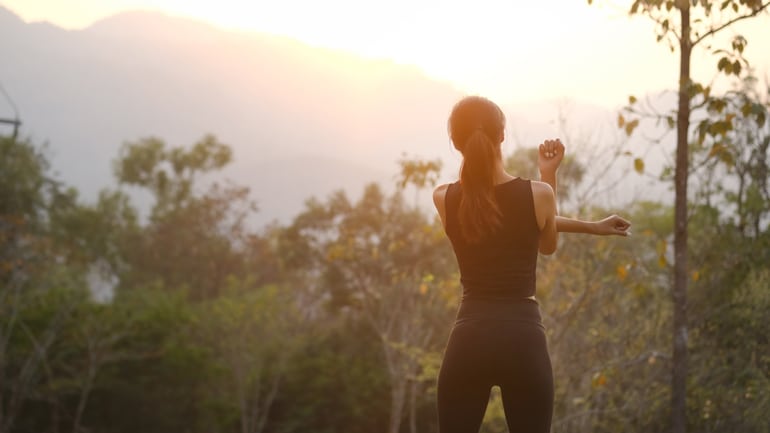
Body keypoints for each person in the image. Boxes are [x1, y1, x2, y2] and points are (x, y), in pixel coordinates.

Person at [432, 95, 630, 433]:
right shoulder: (538, 194)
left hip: (469, 337)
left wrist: (594, 226)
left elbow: (502, 217)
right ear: (502, 136)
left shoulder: (444, 198)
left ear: (455, 142)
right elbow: (545, 241)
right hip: (522, 339)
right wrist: (548, 176)